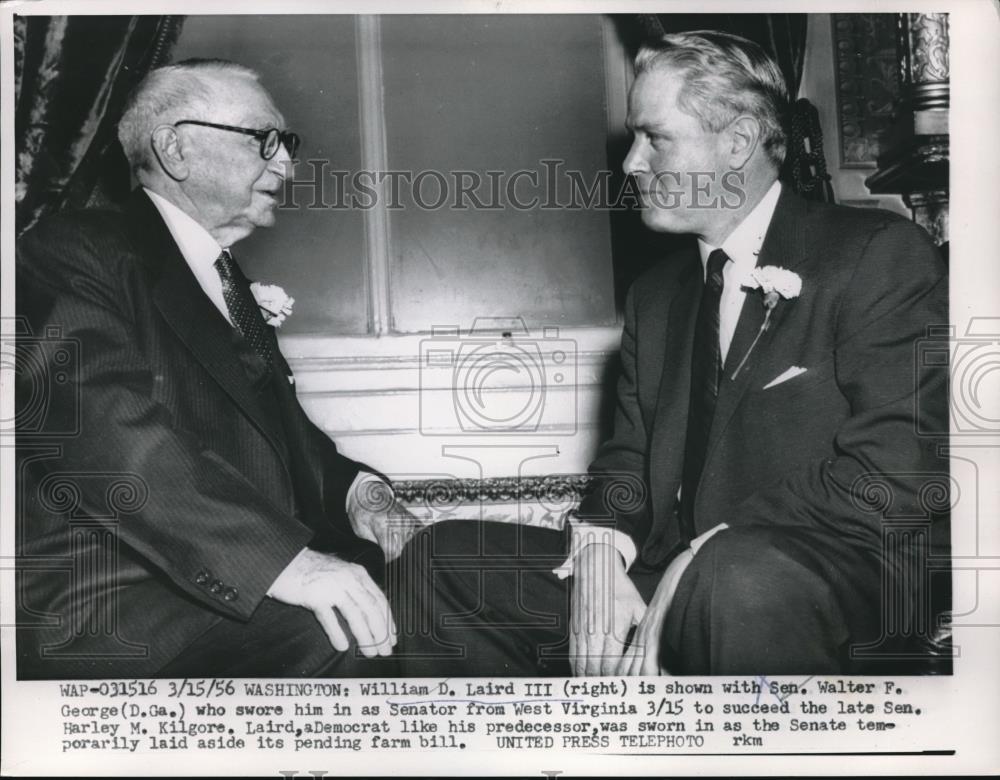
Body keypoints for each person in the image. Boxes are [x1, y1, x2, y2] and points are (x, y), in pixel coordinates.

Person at [401, 31, 949, 676]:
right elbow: (630, 456)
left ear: (738, 143)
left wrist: (703, 555)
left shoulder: (877, 252)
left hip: (833, 568)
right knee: (442, 559)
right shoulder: (657, 294)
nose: (631, 163)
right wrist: (603, 546)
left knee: (735, 577)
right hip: (688, 567)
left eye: (655, 138)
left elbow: (896, 471)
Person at [16, 59, 416, 678]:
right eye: (264, 139)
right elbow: (111, 440)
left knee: (461, 592)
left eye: (287, 143)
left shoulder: (224, 279)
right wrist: (286, 563)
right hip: (128, 613)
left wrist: (363, 494)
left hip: (231, 593)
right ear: (175, 149)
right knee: (361, 646)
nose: (286, 163)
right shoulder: (69, 251)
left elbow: (286, 442)